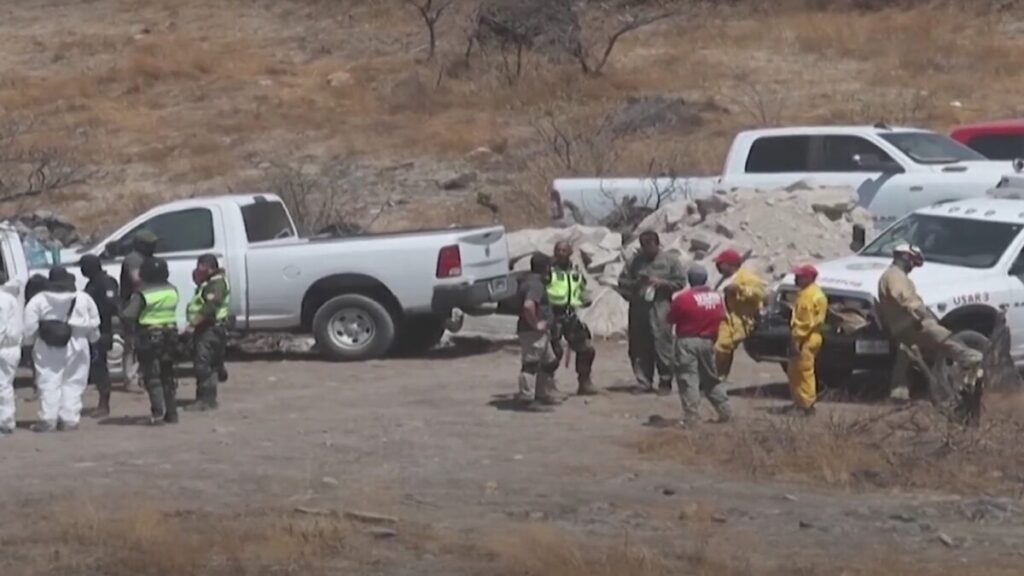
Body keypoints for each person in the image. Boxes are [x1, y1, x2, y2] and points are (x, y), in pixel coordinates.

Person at [877, 244, 983, 395]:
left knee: (904, 360)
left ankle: (898, 394)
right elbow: (905, 299)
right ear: (905, 257)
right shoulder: (895, 276)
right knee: (949, 342)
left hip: (901, 329)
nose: (913, 266)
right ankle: (973, 360)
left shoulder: (890, 275)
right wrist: (924, 315)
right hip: (914, 325)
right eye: (912, 261)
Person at [24, 267, 101, 432]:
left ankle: (48, 419)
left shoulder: (38, 300)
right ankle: (70, 419)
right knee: (74, 381)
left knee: (48, 380)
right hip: (79, 342)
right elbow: (94, 322)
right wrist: (94, 341)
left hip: (47, 344)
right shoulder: (83, 297)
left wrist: (29, 344)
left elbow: (29, 327)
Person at [617, 231, 686, 394]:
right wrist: (635, 284)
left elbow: (681, 282)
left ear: (657, 244)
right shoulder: (634, 261)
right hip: (638, 307)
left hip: (661, 306)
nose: (647, 249)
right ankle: (643, 380)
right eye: (644, 245)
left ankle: (665, 380)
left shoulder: (670, 261)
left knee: (662, 342)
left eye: (650, 245)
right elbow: (622, 282)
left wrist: (662, 283)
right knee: (639, 345)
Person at [667, 265, 732, 427]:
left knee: (688, 378)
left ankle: (692, 418)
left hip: (687, 341)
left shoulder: (683, 298)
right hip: (708, 340)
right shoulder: (717, 297)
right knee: (711, 378)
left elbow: (671, 318)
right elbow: (722, 316)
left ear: (690, 280)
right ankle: (725, 410)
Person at [122, 257, 181, 425]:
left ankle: (158, 414)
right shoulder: (172, 290)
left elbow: (128, 315)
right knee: (168, 375)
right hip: (170, 336)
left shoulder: (142, 293)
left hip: (149, 337)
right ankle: (172, 413)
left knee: (152, 377)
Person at [547, 241, 598, 396]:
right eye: (558, 250)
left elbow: (581, 288)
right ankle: (547, 385)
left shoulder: (575, 271)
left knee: (586, 349)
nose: (561, 253)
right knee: (553, 352)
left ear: (570, 253)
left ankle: (584, 382)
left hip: (571, 315)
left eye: (564, 250)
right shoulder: (548, 271)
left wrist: (584, 299)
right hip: (552, 314)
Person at [185, 254, 230, 411]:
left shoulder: (216, 284)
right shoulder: (208, 283)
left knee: (203, 363)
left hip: (210, 328)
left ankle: (205, 399)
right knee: (209, 363)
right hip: (207, 328)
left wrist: (193, 323)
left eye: (200, 266)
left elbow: (210, 307)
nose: (197, 269)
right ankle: (209, 399)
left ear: (209, 267)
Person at [516, 253, 561, 411]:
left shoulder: (533, 281)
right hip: (532, 332)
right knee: (531, 365)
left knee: (549, 363)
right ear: (545, 267)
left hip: (541, 332)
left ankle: (542, 394)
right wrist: (536, 324)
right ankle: (527, 399)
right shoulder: (535, 284)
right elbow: (528, 306)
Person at [712, 249, 765, 381]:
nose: (717, 266)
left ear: (730, 264)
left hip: (741, 320)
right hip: (724, 318)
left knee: (722, 346)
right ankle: (718, 377)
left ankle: (718, 377)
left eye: (720, 263)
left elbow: (760, 294)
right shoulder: (723, 278)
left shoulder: (747, 278)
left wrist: (739, 289)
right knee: (719, 348)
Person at [119, 229, 158, 390]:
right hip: (133, 306)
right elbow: (137, 281)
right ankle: (131, 378)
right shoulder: (134, 259)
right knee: (133, 343)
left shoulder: (148, 259)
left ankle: (144, 375)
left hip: (147, 305)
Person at [80, 255, 119, 417]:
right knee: (94, 368)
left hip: (102, 331)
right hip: (91, 331)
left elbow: (111, 305)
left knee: (100, 368)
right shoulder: (92, 283)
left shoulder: (106, 282)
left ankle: (104, 405)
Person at [786, 265, 827, 416]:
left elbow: (804, 322)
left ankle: (806, 405)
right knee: (796, 370)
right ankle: (800, 401)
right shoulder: (813, 293)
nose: (796, 279)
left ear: (809, 278)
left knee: (802, 372)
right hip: (812, 336)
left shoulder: (807, 297)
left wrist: (796, 340)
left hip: (806, 338)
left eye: (800, 276)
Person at [0, 275, 22, 436]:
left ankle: (5, 422)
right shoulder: (10, 298)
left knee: (3, 386)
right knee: (5, 384)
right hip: (12, 347)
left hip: (3, 347)